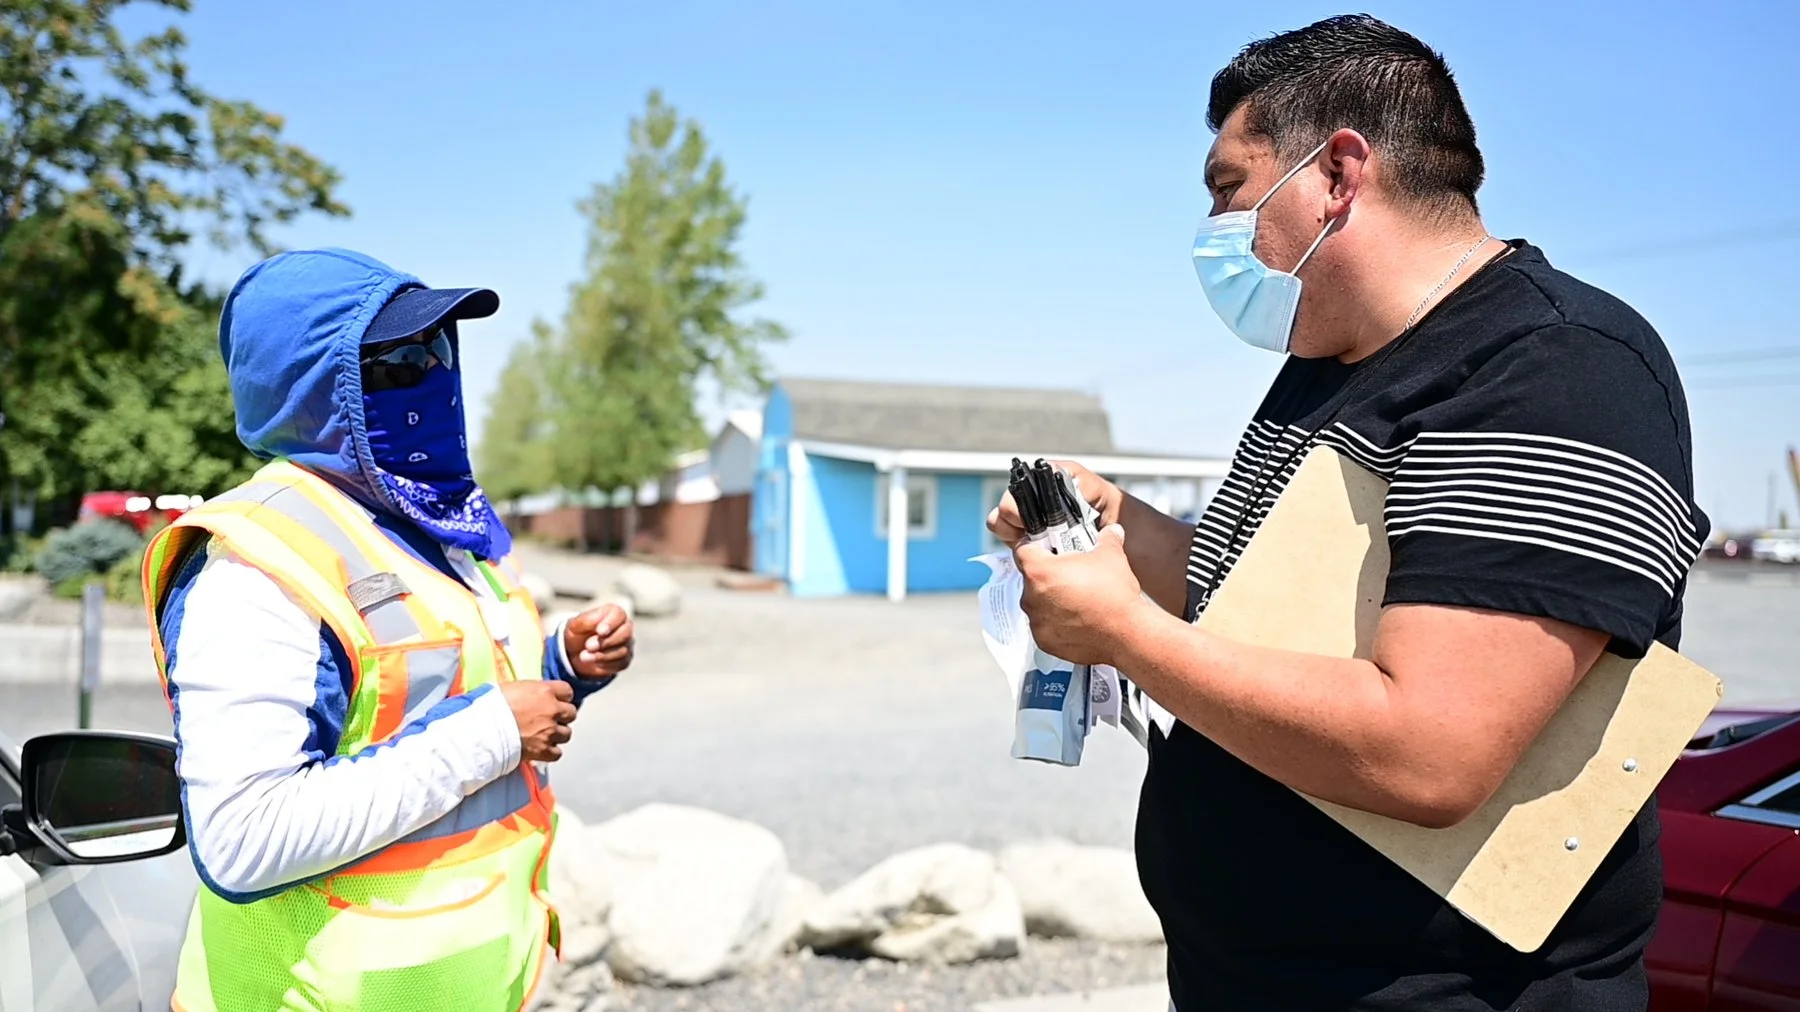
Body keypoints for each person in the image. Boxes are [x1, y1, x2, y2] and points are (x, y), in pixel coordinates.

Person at [992, 15, 1705, 1012]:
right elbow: (1261, 602)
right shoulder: (1327, 365)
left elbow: (1430, 750)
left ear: (1337, 172)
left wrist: (1127, 635)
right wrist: (1118, 527)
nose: (1214, 230)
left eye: (1228, 189)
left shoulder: (1556, 368)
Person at [141, 248, 636, 1012]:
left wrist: (563, 663)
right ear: (313, 388)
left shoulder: (427, 525)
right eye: (401, 358)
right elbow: (245, 838)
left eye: (440, 348)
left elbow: (449, 691)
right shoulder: (256, 567)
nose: (434, 371)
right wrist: (496, 733)